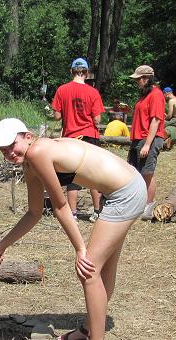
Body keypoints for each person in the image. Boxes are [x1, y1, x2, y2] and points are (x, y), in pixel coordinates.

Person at [0, 118, 146, 340]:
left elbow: (61, 206)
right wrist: (3, 245)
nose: (9, 153)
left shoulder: (39, 151)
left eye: (12, 145)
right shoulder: (31, 162)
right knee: (102, 268)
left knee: (88, 269)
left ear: (28, 136)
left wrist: (80, 249)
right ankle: (90, 328)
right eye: (3, 150)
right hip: (125, 188)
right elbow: (34, 212)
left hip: (126, 193)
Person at [52, 57, 105, 223]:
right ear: (86, 73)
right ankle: (97, 212)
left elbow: (57, 116)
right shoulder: (93, 92)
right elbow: (97, 120)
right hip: (89, 137)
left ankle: (72, 214)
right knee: (94, 176)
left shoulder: (62, 90)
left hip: (70, 139)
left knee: (71, 177)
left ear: (71, 72)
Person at [128, 65, 165, 220]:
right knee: (136, 173)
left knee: (147, 173)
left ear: (146, 79)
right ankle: (138, 204)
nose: (137, 82)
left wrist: (148, 144)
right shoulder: (144, 95)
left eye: (138, 79)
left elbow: (155, 120)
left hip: (148, 138)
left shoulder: (156, 94)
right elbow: (142, 115)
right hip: (138, 137)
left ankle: (148, 206)